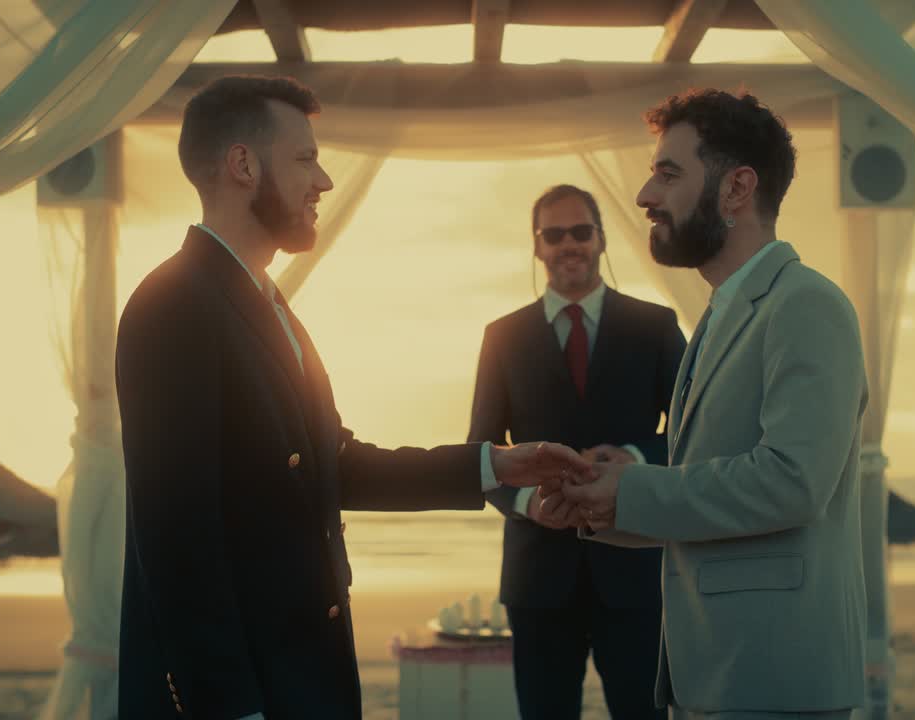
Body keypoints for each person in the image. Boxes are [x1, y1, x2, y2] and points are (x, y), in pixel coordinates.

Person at [115, 75, 589, 720]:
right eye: (305, 158)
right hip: (246, 694)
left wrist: (496, 464)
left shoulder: (266, 303)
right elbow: (177, 540)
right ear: (243, 165)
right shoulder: (174, 305)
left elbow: (333, 464)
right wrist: (231, 707)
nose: (324, 181)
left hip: (303, 677)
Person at [558, 89, 869, 719]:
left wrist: (631, 489)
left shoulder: (807, 305)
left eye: (669, 174)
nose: (645, 195)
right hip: (713, 676)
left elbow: (791, 482)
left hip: (775, 680)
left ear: (737, 189)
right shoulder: (718, 315)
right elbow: (711, 501)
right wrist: (595, 507)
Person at [469, 184, 685, 719]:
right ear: (537, 246)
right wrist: (529, 505)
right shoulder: (502, 336)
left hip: (636, 570)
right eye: (554, 234)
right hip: (538, 579)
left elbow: (696, 429)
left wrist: (637, 456)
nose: (569, 244)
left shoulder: (655, 325)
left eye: (581, 231)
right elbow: (481, 451)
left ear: (602, 239)